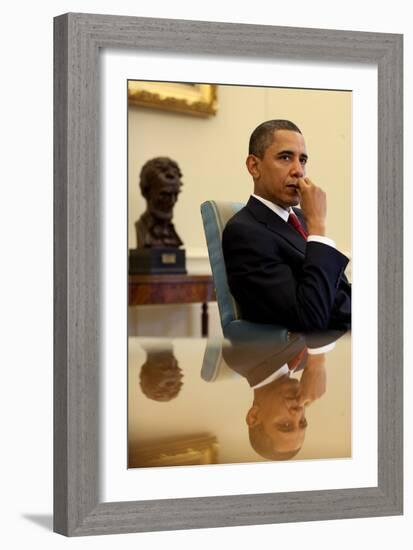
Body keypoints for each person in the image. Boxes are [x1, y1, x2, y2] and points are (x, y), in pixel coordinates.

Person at [222, 120, 351, 331]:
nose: (298, 171)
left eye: (303, 160)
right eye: (285, 157)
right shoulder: (245, 233)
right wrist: (318, 226)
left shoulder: (301, 217)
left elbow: (337, 292)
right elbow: (309, 319)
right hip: (314, 351)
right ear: (254, 166)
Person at [135, 157, 184, 248]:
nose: (172, 201)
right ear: (146, 192)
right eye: (165, 195)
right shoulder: (142, 229)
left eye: (175, 194)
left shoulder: (172, 233)